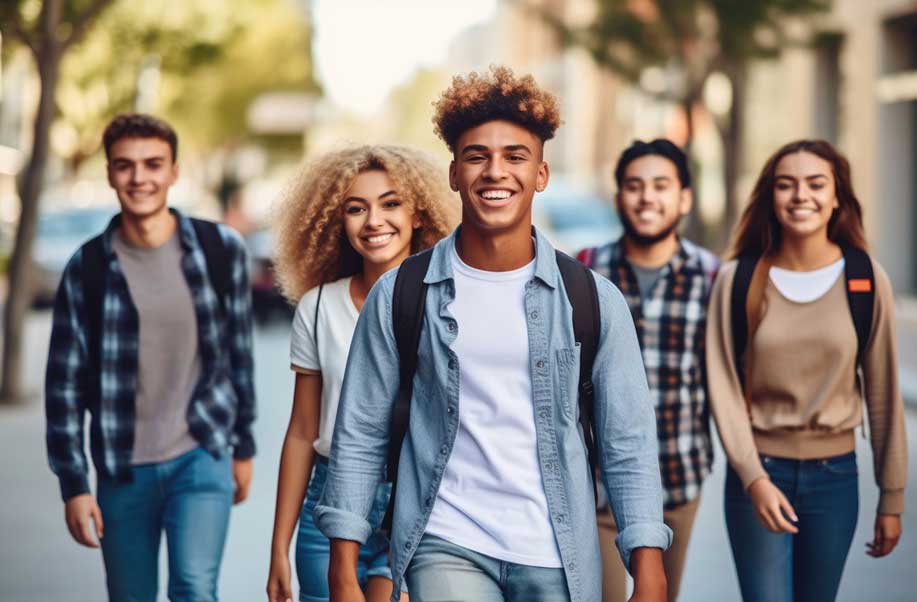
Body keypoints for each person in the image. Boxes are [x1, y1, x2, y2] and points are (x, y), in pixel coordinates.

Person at [316, 66, 672, 602]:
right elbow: (360, 432)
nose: (495, 172)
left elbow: (628, 443)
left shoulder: (592, 301)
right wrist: (343, 566)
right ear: (455, 173)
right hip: (446, 539)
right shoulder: (401, 295)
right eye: (477, 156)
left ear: (542, 174)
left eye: (515, 157)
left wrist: (647, 562)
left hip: (556, 550)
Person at [45, 113, 256, 602]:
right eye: (125, 166)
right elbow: (64, 388)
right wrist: (74, 485)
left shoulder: (219, 249)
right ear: (110, 174)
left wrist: (242, 447)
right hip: (123, 467)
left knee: (195, 588)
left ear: (174, 172)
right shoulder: (87, 267)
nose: (139, 178)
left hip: (202, 452)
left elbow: (239, 358)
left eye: (153, 164)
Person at [705, 139, 908, 602]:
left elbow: (883, 393)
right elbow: (724, 389)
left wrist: (891, 496)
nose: (801, 196)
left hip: (835, 479)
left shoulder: (865, 278)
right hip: (758, 473)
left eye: (816, 184)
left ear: (837, 196)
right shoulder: (738, 280)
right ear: (770, 197)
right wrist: (753, 477)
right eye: (785, 185)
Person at [266, 145, 460, 602]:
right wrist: (278, 546)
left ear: (419, 215)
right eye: (357, 208)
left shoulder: (448, 303)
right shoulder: (317, 308)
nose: (374, 220)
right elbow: (301, 432)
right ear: (339, 222)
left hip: (419, 502)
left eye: (391, 204)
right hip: (330, 502)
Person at [577, 139, 719, 602]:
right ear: (619, 197)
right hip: (597, 490)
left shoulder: (713, 278)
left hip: (678, 481)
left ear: (684, 198)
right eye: (634, 186)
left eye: (661, 186)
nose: (647, 197)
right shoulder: (585, 272)